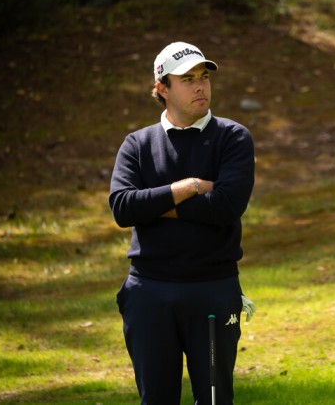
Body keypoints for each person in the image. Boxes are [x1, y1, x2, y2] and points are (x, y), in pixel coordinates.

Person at [109, 41, 256, 404]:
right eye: (187, 79)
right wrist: (188, 187)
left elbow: (225, 208)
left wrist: (155, 204)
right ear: (163, 89)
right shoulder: (137, 144)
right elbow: (124, 208)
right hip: (148, 293)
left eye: (203, 77)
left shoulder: (233, 137)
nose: (200, 86)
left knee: (213, 398)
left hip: (213, 290)